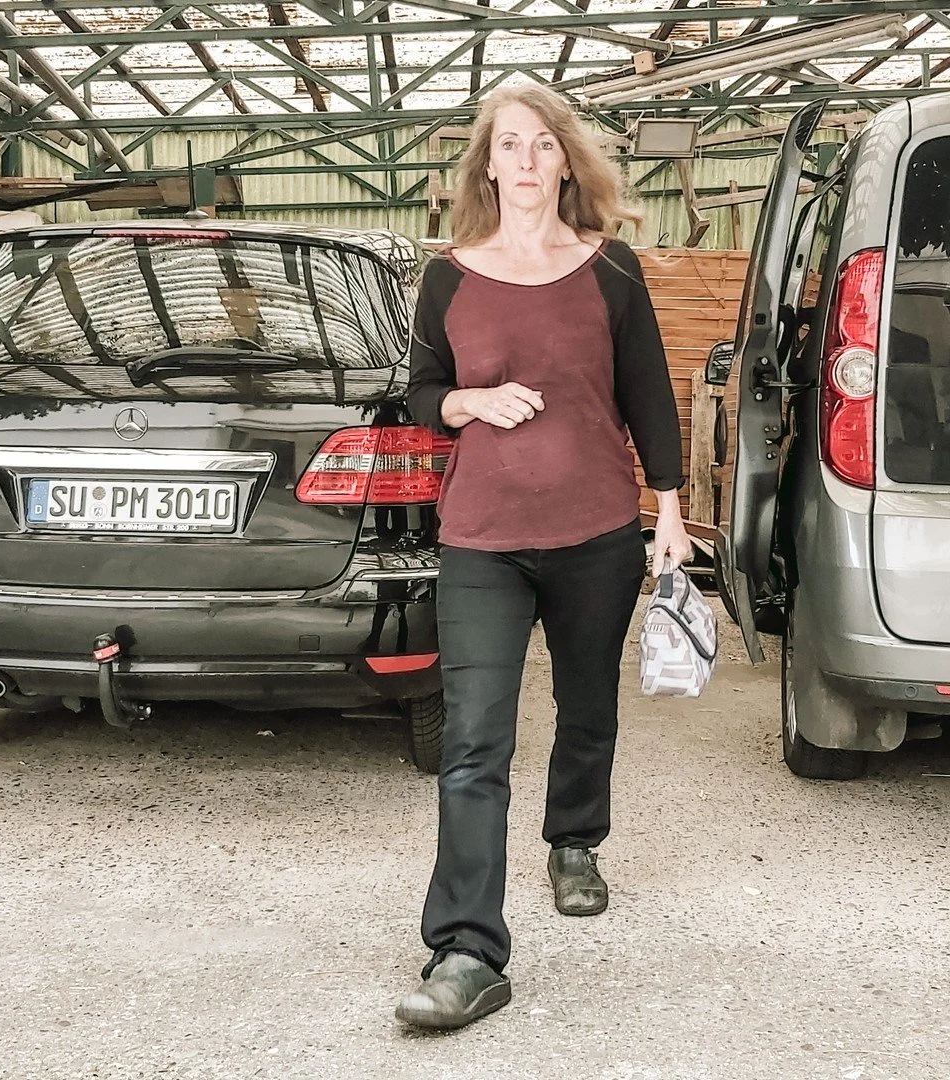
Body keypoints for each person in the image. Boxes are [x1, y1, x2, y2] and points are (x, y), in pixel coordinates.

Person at [395, 83, 692, 1031]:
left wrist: (673, 513)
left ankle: (574, 842)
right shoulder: (447, 277)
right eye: (507, 146)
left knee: (586, 703)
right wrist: (469, 405)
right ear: (487, 165)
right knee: (474, 742)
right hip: (480, 537)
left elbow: (648, 392)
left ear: (565, 161)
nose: (524, 161)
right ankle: (467, 950)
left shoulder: (612, 271)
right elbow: (419, 395)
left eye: (541, 146)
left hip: (596, 529)